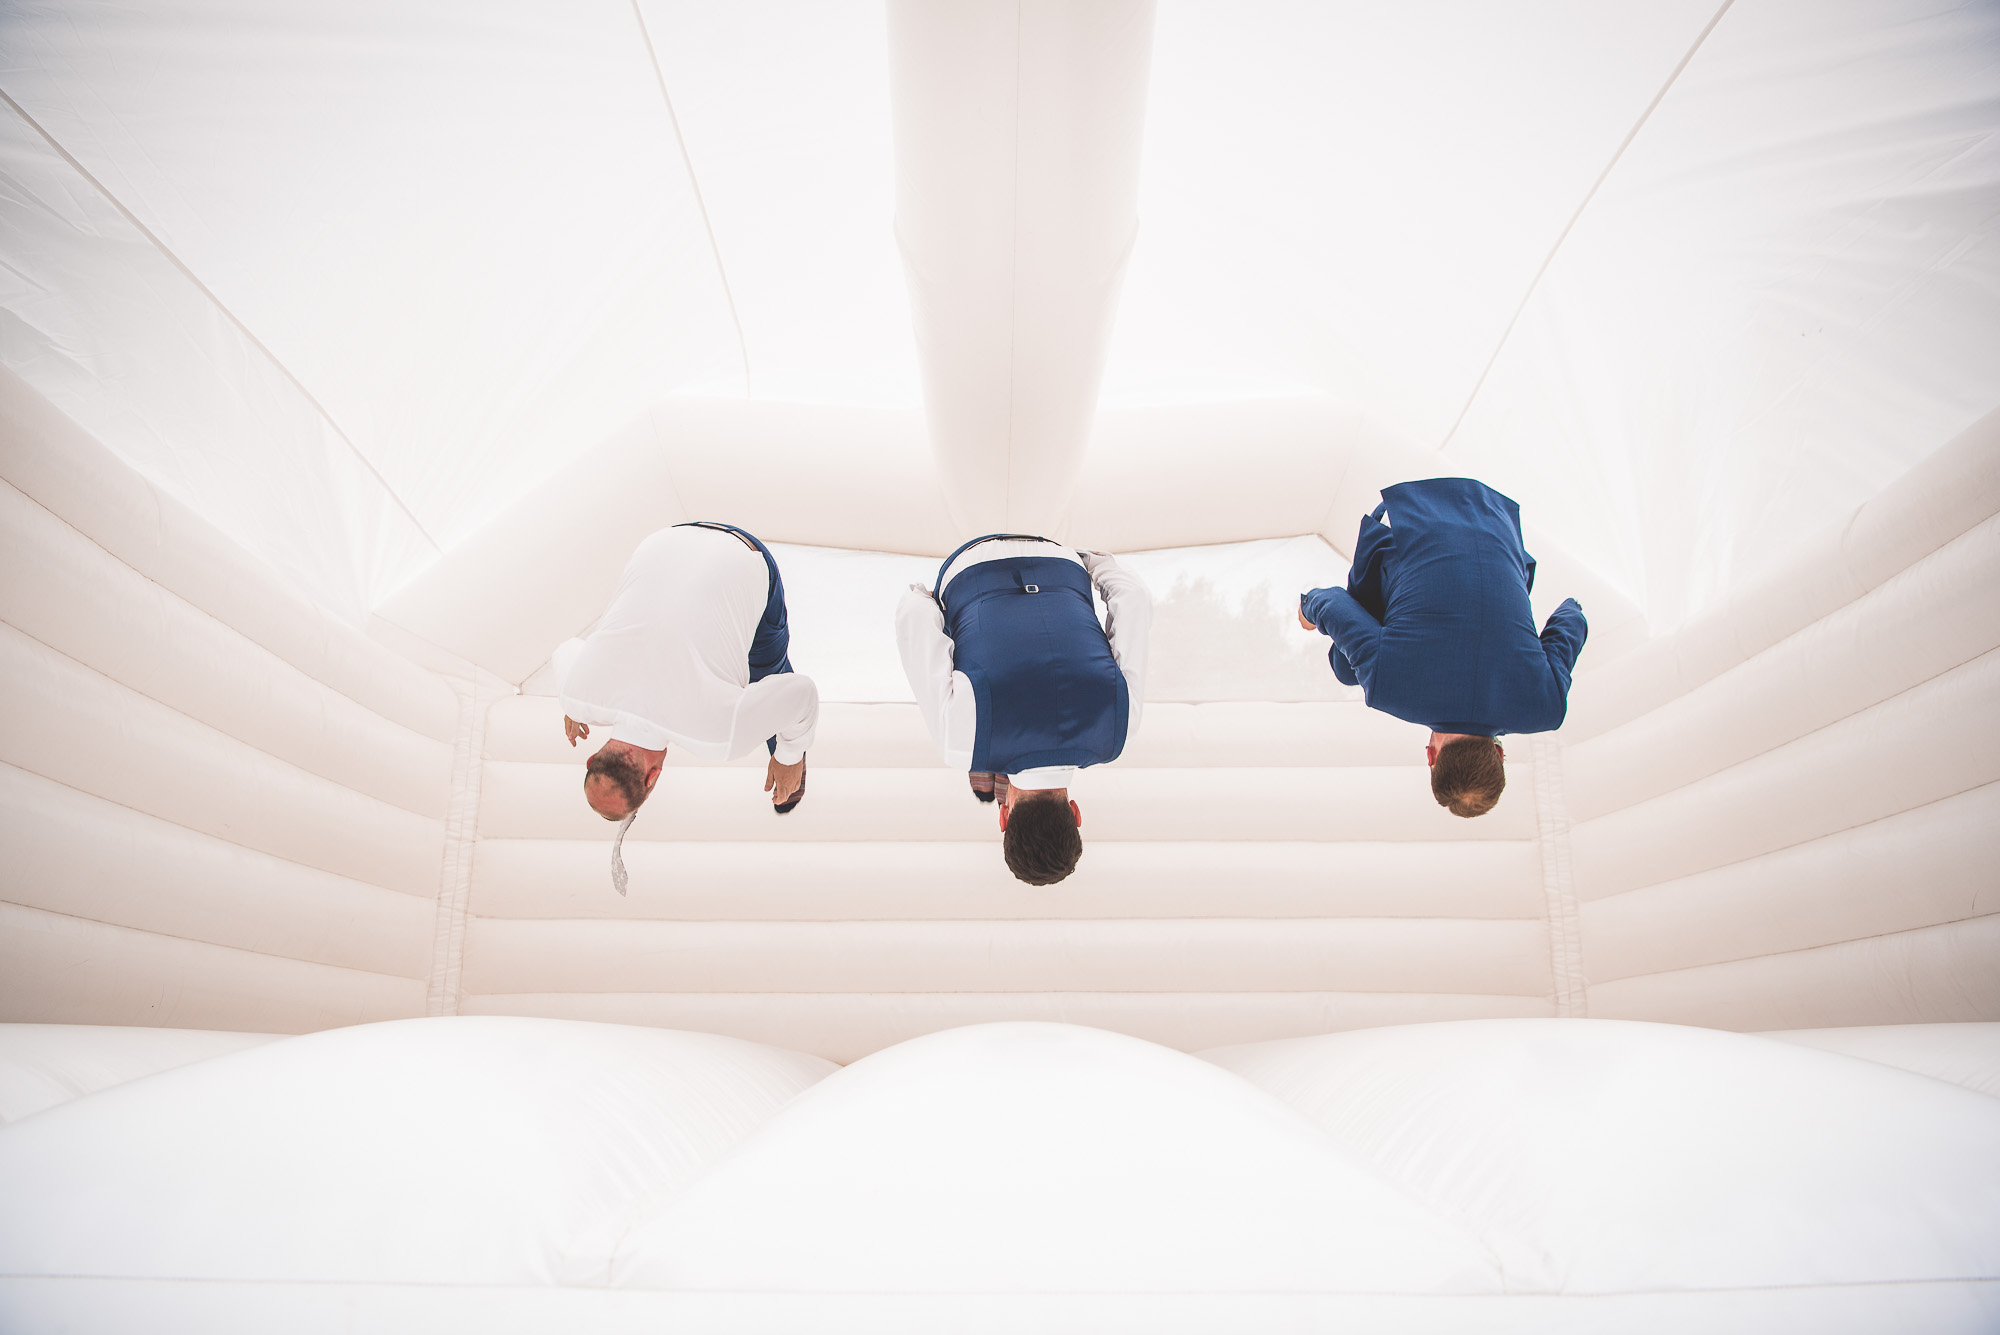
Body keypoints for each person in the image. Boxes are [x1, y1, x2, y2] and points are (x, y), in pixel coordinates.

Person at [1298, 478, 1586, 817]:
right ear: (1431, 756)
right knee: (1346, 669)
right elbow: (1330, 600)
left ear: (1499, 755)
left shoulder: (1545, 708)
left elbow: (1572, 614)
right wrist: (1306, 612)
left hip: (1498, 522)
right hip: (1412, 515)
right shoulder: (1389, 689)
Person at [556, 522, 818, 890]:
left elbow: (802, 693)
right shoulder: (575, 692)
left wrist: (789, 755)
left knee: (767, 676)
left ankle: (790, 778)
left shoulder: (718, 736)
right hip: (664, 538)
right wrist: (573, 706)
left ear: (652, 778)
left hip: (744, 554)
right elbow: (564, 650)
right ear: (591, 757)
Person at [897, 534, 1152, 885]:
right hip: (967, 558)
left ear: (1075, 813)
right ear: (1004, 818)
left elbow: (1134, 600)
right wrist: (923, 595)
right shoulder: (962, 746)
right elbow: (914, 614)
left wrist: (1090, 562)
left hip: (1059, 552)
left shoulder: (1119, 732)